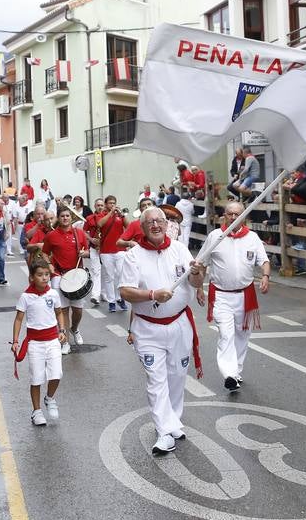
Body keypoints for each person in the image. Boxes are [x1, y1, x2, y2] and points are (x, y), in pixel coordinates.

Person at [119, 207, 206, 456]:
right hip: (147, 329)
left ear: (167, 224)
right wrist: (153, 295)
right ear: (142, 228)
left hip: (179, 325)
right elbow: (125, 291)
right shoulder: (133, 256)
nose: (155, 225)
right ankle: (164, 432)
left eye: (160, 221)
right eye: (150, 222)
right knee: (156, 380)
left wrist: (199, 273)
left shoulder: (179, 249)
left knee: (177, 376)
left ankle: (173, 421)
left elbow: (195, 282)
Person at [197, 201, 270, 392]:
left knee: (242, 336)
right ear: (224, 216)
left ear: (243, 216)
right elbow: (202, 262)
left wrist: (265, 276)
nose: (233, 217)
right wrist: (198, 287)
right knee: (226, 335)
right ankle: (229, 374)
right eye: (230, 214)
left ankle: (236, 372)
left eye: (237, 214)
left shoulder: (252, 237)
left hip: (245, 295)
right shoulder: (215, 236)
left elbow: (264, 260)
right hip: (221, 295)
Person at [12, 258, 65, 426]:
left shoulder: (53, 294)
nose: (44, 278)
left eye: (47, 274)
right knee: (36, 378)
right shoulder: (26, 297)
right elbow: (19, 319)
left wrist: (62, 330)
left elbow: (59, 313)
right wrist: (15, 341)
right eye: (40, 275)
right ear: (32, 278)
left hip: (53, 341)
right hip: (35, 343)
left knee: (56, 375)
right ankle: (36, 411)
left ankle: (49, 398)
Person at [41, 206, 90, 354]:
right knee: (63, 310)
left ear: (71, 217)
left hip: (76, 275)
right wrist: (49, 264)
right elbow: (44, 253)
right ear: (58, 218)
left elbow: (88, 252)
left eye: (67, 216)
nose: (65, 218)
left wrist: (84, 253)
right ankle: (65, 342)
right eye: (62, 216)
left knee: (78, 310)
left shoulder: (79, 233)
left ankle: (74, 329)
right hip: (58, 275)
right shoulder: (51, 236)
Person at [93, 195, 127, 312]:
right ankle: (111, 301)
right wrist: (111, 213)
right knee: (109, 277)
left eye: (114, 203)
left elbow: (128, 226)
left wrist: (122, 215)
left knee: (120, 275)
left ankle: (120, 298)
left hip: (120, 250)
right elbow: (100, 224)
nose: (112, 205)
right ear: (106, 204)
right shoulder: (101, 215)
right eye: (110, 203)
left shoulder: (119, 215)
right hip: (106, 251)